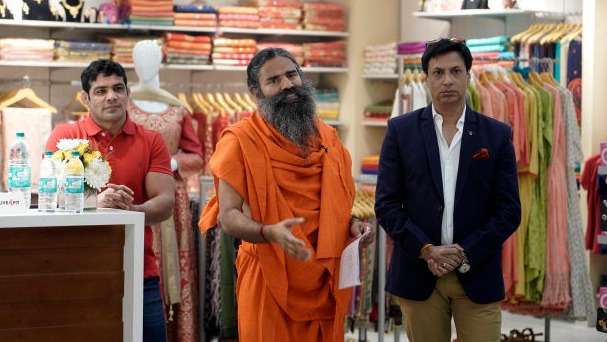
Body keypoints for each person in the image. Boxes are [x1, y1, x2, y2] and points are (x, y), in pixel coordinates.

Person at [198, 47, 375, 341]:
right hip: (269, 275)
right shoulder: (240, 140)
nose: (287, 85)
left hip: (323, 280)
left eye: (292, 75)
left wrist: (354, 226)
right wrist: (269, 232)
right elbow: (228, 218)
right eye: (274, 81)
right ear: (257, 93)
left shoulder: (329, 138)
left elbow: (335, 209)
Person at [374, 38, 521, 342]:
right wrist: (426, 250)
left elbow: (508, 211)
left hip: (477, 272)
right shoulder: (401, 131)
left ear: (469, 75)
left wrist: (465, 254)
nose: (447, 80)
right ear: (426, 79)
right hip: (419, 272)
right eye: (438, 73)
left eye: (455, 71)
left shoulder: (496, 134)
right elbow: (387, 205)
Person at [45, 58, 175, 342]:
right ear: (85, 98)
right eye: (101, 91)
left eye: (118, 88)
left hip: (140, 271)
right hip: (78, 272)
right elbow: (50, 196)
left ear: (128, 93)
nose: (112, 96)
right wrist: (96, 202)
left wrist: (131, 210)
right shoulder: (66, 136)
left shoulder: (152, 140)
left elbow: (165, 201)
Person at [129, 39, 203, 340]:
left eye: (151, 58)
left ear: (161, 60)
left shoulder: (176, 108)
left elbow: (197, 156)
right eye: (139, 58)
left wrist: (170, 163)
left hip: (171, 203)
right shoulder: (124, 103)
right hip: (136, 195)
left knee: (173, 268)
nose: (144, 65)